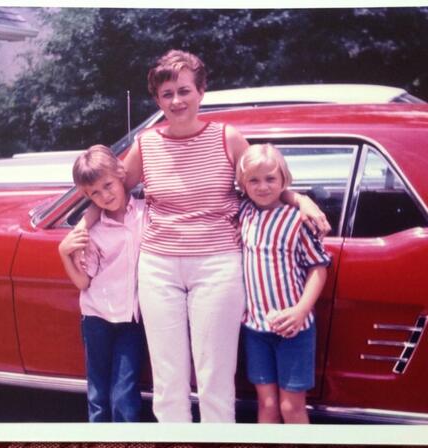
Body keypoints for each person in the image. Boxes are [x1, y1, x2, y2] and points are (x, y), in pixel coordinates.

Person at [114, 49, 331, 423]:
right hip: (158, 266)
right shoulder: (146, 143)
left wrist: (301, 200)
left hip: (217, 265)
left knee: (214, 374)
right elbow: (111, 191)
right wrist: (83, 225)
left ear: (201, 92)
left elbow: (264, 180)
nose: (177, 101)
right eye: (167, 94)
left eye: (184, 90)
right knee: (168, 378)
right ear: (158, 100)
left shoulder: (227, 137)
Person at [236, 143, 331, 424]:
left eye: (270, 179)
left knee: (291, 407)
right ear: (243, 184)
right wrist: (299, 197)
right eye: (254, 180)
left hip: (294, 328)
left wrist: (301, 310)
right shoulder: (244, 211)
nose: (262, 186)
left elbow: (318, 267)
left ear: (283, 179)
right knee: (266, 405)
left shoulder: (297, 219)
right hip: (256, 328)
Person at [58, 144, 146, 422]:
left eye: (108, 186)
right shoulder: (92, 232)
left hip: (131, 320)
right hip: (96, 318)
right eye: (95, 193)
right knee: (97, 395)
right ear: (87, 196)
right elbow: (83, 282)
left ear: (121, 174)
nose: (105, 196)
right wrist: (63, 253)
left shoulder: (145, 213)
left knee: (124, 395)